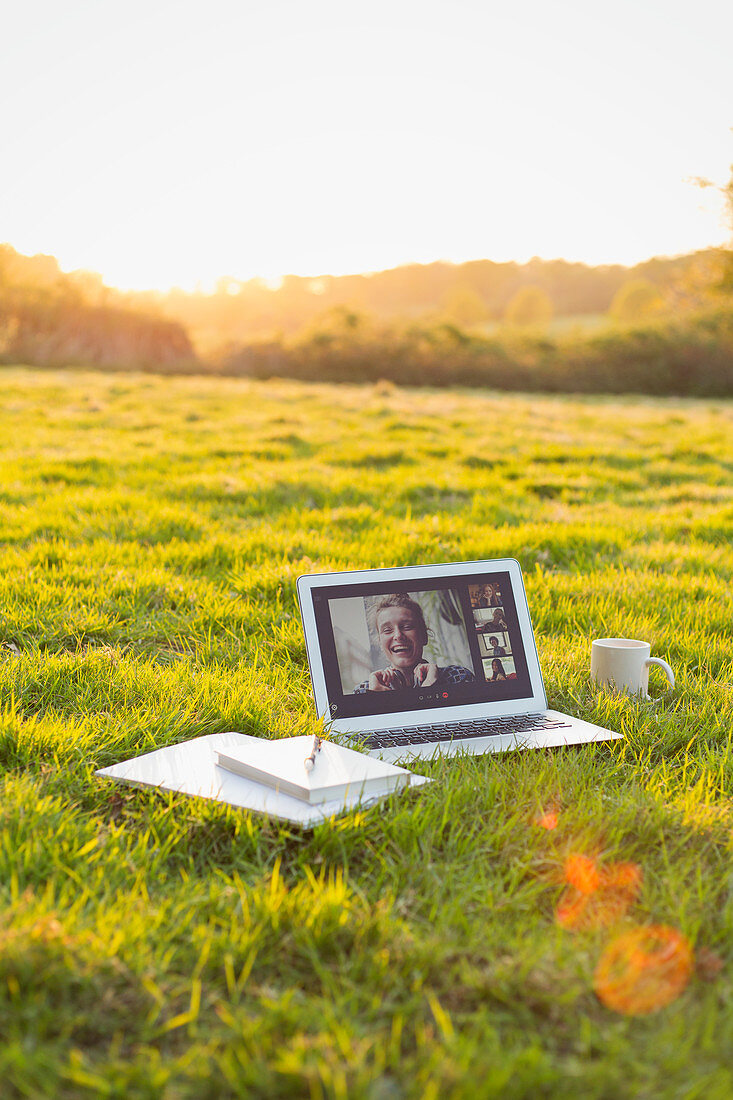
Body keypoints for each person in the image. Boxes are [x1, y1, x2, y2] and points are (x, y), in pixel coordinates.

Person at [354, 593, 475, 693]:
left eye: (407, 627)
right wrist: (379, 700)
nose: (398, 636)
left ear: (424, 636)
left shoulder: (458, 677)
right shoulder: (364, 691)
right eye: (387, 630)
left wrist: (431, 690)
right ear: (380, 643)